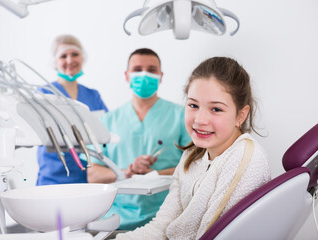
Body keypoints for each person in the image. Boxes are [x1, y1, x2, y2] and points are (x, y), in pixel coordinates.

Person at [113, 56, 271, 239]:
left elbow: (214, 234)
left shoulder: (245, 158)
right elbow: (161, 229)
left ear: (241, 115)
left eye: (216, 109)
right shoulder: (190, 157)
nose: (200, 120)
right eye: (193, 105)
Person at [87, 48, 191, 230]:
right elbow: (92, 174)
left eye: (151, 70)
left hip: (167, 220)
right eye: (137, 69)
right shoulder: (106, 122)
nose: (144, 75)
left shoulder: (182, 116)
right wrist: (127, 172)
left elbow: (194, 166)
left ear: (161, 76)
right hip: (117, 221)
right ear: (127, 76)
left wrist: (155, 174)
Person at [36, 34, 108, 186]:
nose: (70, 60)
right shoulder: (43, 94)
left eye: (75, 54)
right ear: (54, 62)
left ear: (83, 57)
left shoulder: (92, 95)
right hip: (53, 177)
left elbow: (107, 127)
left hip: (88, 176)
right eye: (63, 56)